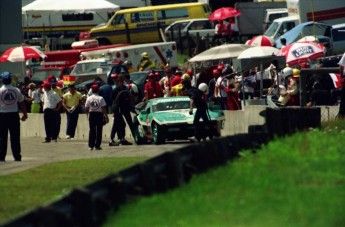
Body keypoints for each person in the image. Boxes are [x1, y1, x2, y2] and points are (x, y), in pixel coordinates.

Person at [0, 72, 28, 162]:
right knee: (15, 137)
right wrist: (25, 114)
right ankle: (17, 157)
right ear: (10, 80)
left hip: (2, 116)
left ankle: (1, 157)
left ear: (2, 80)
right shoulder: (16, 90)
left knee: (2, 138)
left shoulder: (0, 91)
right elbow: (22, 103)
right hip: (13, 115)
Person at [85, 84, 109, 151]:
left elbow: (86, 108)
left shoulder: (89, 98)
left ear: (92, 90)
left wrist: (87, 115)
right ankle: (97, 146)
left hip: (92, 114)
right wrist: (106, 117)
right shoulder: (101, 98)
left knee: (92, 130)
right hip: (99, 114)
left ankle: (90, 145)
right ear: (98, 90)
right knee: (99, 130)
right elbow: (103, 108)